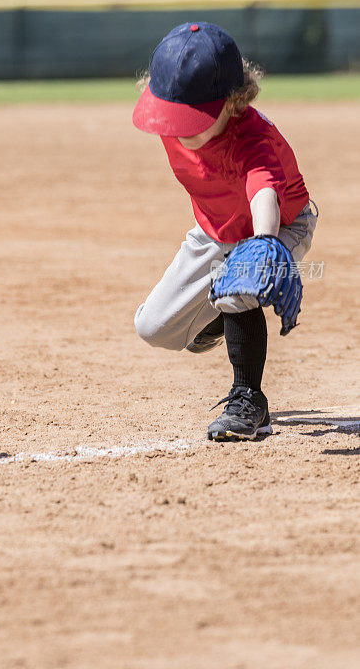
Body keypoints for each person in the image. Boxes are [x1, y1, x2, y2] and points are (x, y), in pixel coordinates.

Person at [132, 22, 318, 441]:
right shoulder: (172, 118)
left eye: (192, 119)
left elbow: (264, 194)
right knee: (154, 328)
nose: (180, 130)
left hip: (278, 225)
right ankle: (221, 317)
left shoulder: (252, 139)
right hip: (216, 229)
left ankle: (249, 400)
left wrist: (265, 246)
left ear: (234, 102)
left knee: (239, 284)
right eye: (172, 116)